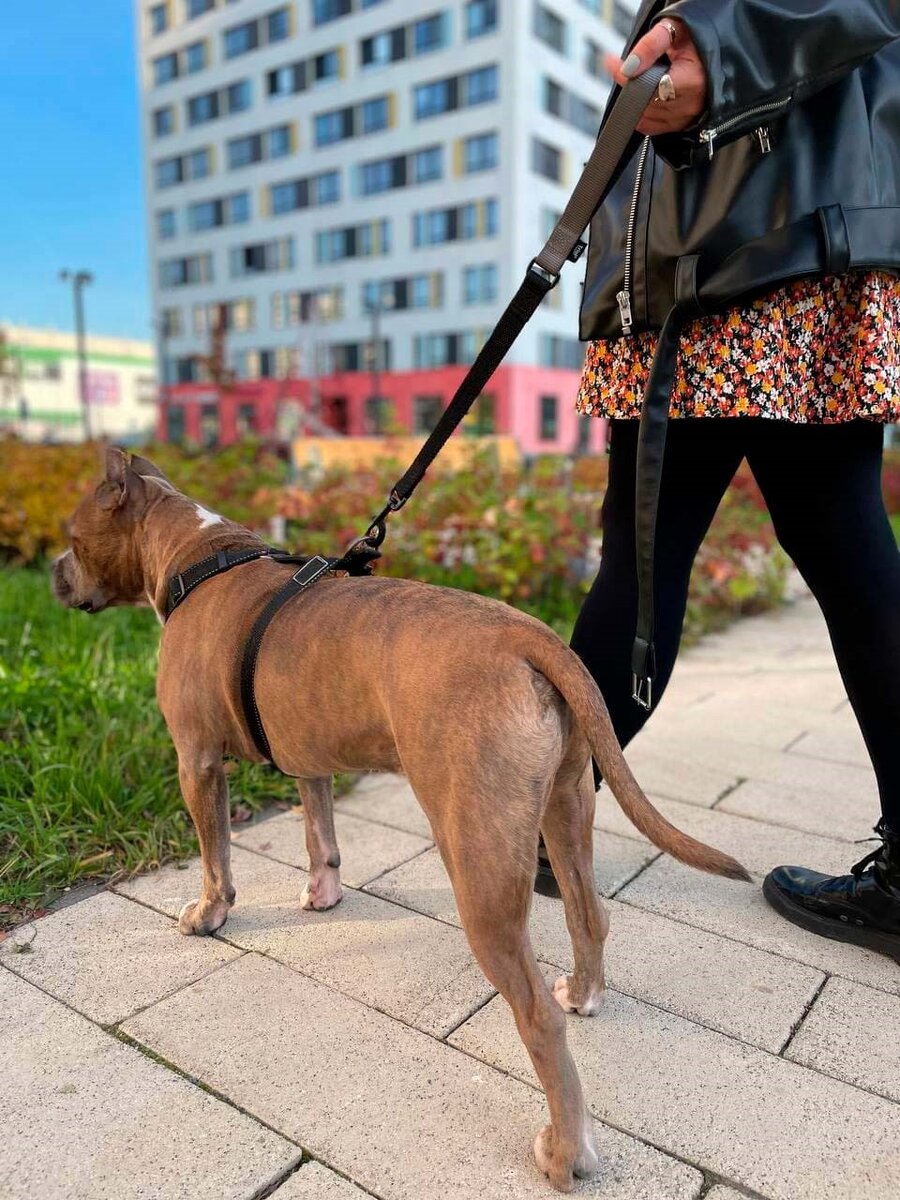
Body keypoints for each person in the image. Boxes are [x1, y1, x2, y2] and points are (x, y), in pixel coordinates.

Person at [536, 1, 900, 963]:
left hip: (740, 241)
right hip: (790, 231)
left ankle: (541, 820)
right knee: (851, 559)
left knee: (648, 567)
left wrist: (719, 49)